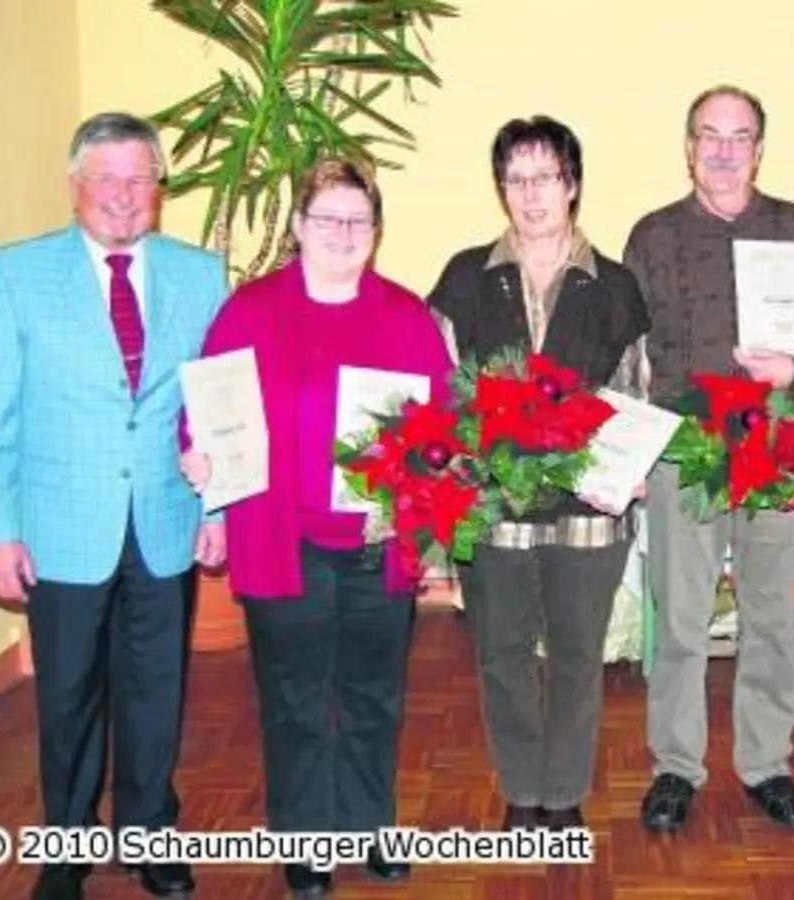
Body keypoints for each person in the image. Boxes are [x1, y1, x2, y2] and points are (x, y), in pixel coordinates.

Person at [0, 111, 227, 900]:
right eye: (106, 178)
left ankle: (150, 833)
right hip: (60, 527)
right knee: (68, 695)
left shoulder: (201, 273)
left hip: (167, 520)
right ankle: (67, 850)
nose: (122, 194)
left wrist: (219, 510)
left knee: (156, 691)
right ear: (75, 186)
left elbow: (216, 407)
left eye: (139, 178)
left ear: (160, 189)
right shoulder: (14, 273)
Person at [179, 159, 454, 898]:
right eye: (326, 218)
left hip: (374, 541)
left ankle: (369, 824)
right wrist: (201, 457)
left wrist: (425, 521)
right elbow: (204, 409)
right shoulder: (250, 310)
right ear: (298, 227)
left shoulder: (405, 317)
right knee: (294, 699)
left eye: (356, 221)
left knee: (373, 695)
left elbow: (441, 434)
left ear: (376, 232)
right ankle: (305, 839)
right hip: (281, 539)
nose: (341, 233)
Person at [425, 116, 650, 833]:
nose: (530, 194)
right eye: (515, 178)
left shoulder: (613, 285)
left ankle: (567, 792)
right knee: (504, 653)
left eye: (544, 176)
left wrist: (630, 466)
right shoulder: (466, 277)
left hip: (589, 508)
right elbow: (438, 387)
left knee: (581, 655)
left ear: (572, 184)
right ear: (501, 188)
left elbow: (637, 393)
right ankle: (524, 788)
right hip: (493, 508)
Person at [624, 85, 794, 833]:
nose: (722, 150)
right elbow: (633, 359)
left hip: (774, 441)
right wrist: (633, 457)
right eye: (708, 135)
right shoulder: (651, 236)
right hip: (685, 448)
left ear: (758, 149)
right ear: (688, 147)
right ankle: (676, 766)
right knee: (680, 618)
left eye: (738, 136)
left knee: (771, 614)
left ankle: (767, 762)